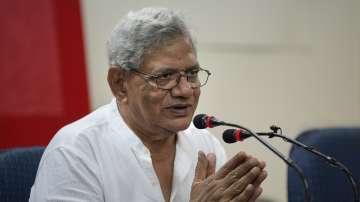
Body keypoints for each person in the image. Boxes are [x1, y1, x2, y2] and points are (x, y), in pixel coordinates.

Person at [30, 7, 267, 202]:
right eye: (164, 77)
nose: (185, 91)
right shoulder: (76, 152)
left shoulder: (206, 147)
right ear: (120, 83)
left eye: (192, 73)